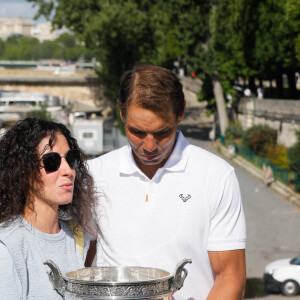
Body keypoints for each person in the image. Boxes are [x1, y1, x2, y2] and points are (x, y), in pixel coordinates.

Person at [87, 63, 246, 300]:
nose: (149, 146)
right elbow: (80, 264)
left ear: (180, 113)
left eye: (162, 132)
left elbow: (230, 277)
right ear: (121, 114)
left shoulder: (216, 176)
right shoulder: (93, 175)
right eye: (137, 132)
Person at [0, 118, 97, 299]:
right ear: (24, 170)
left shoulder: (76, 236)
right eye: (51, 162)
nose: (68, 170)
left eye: (71, 159)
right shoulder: (7, 247)